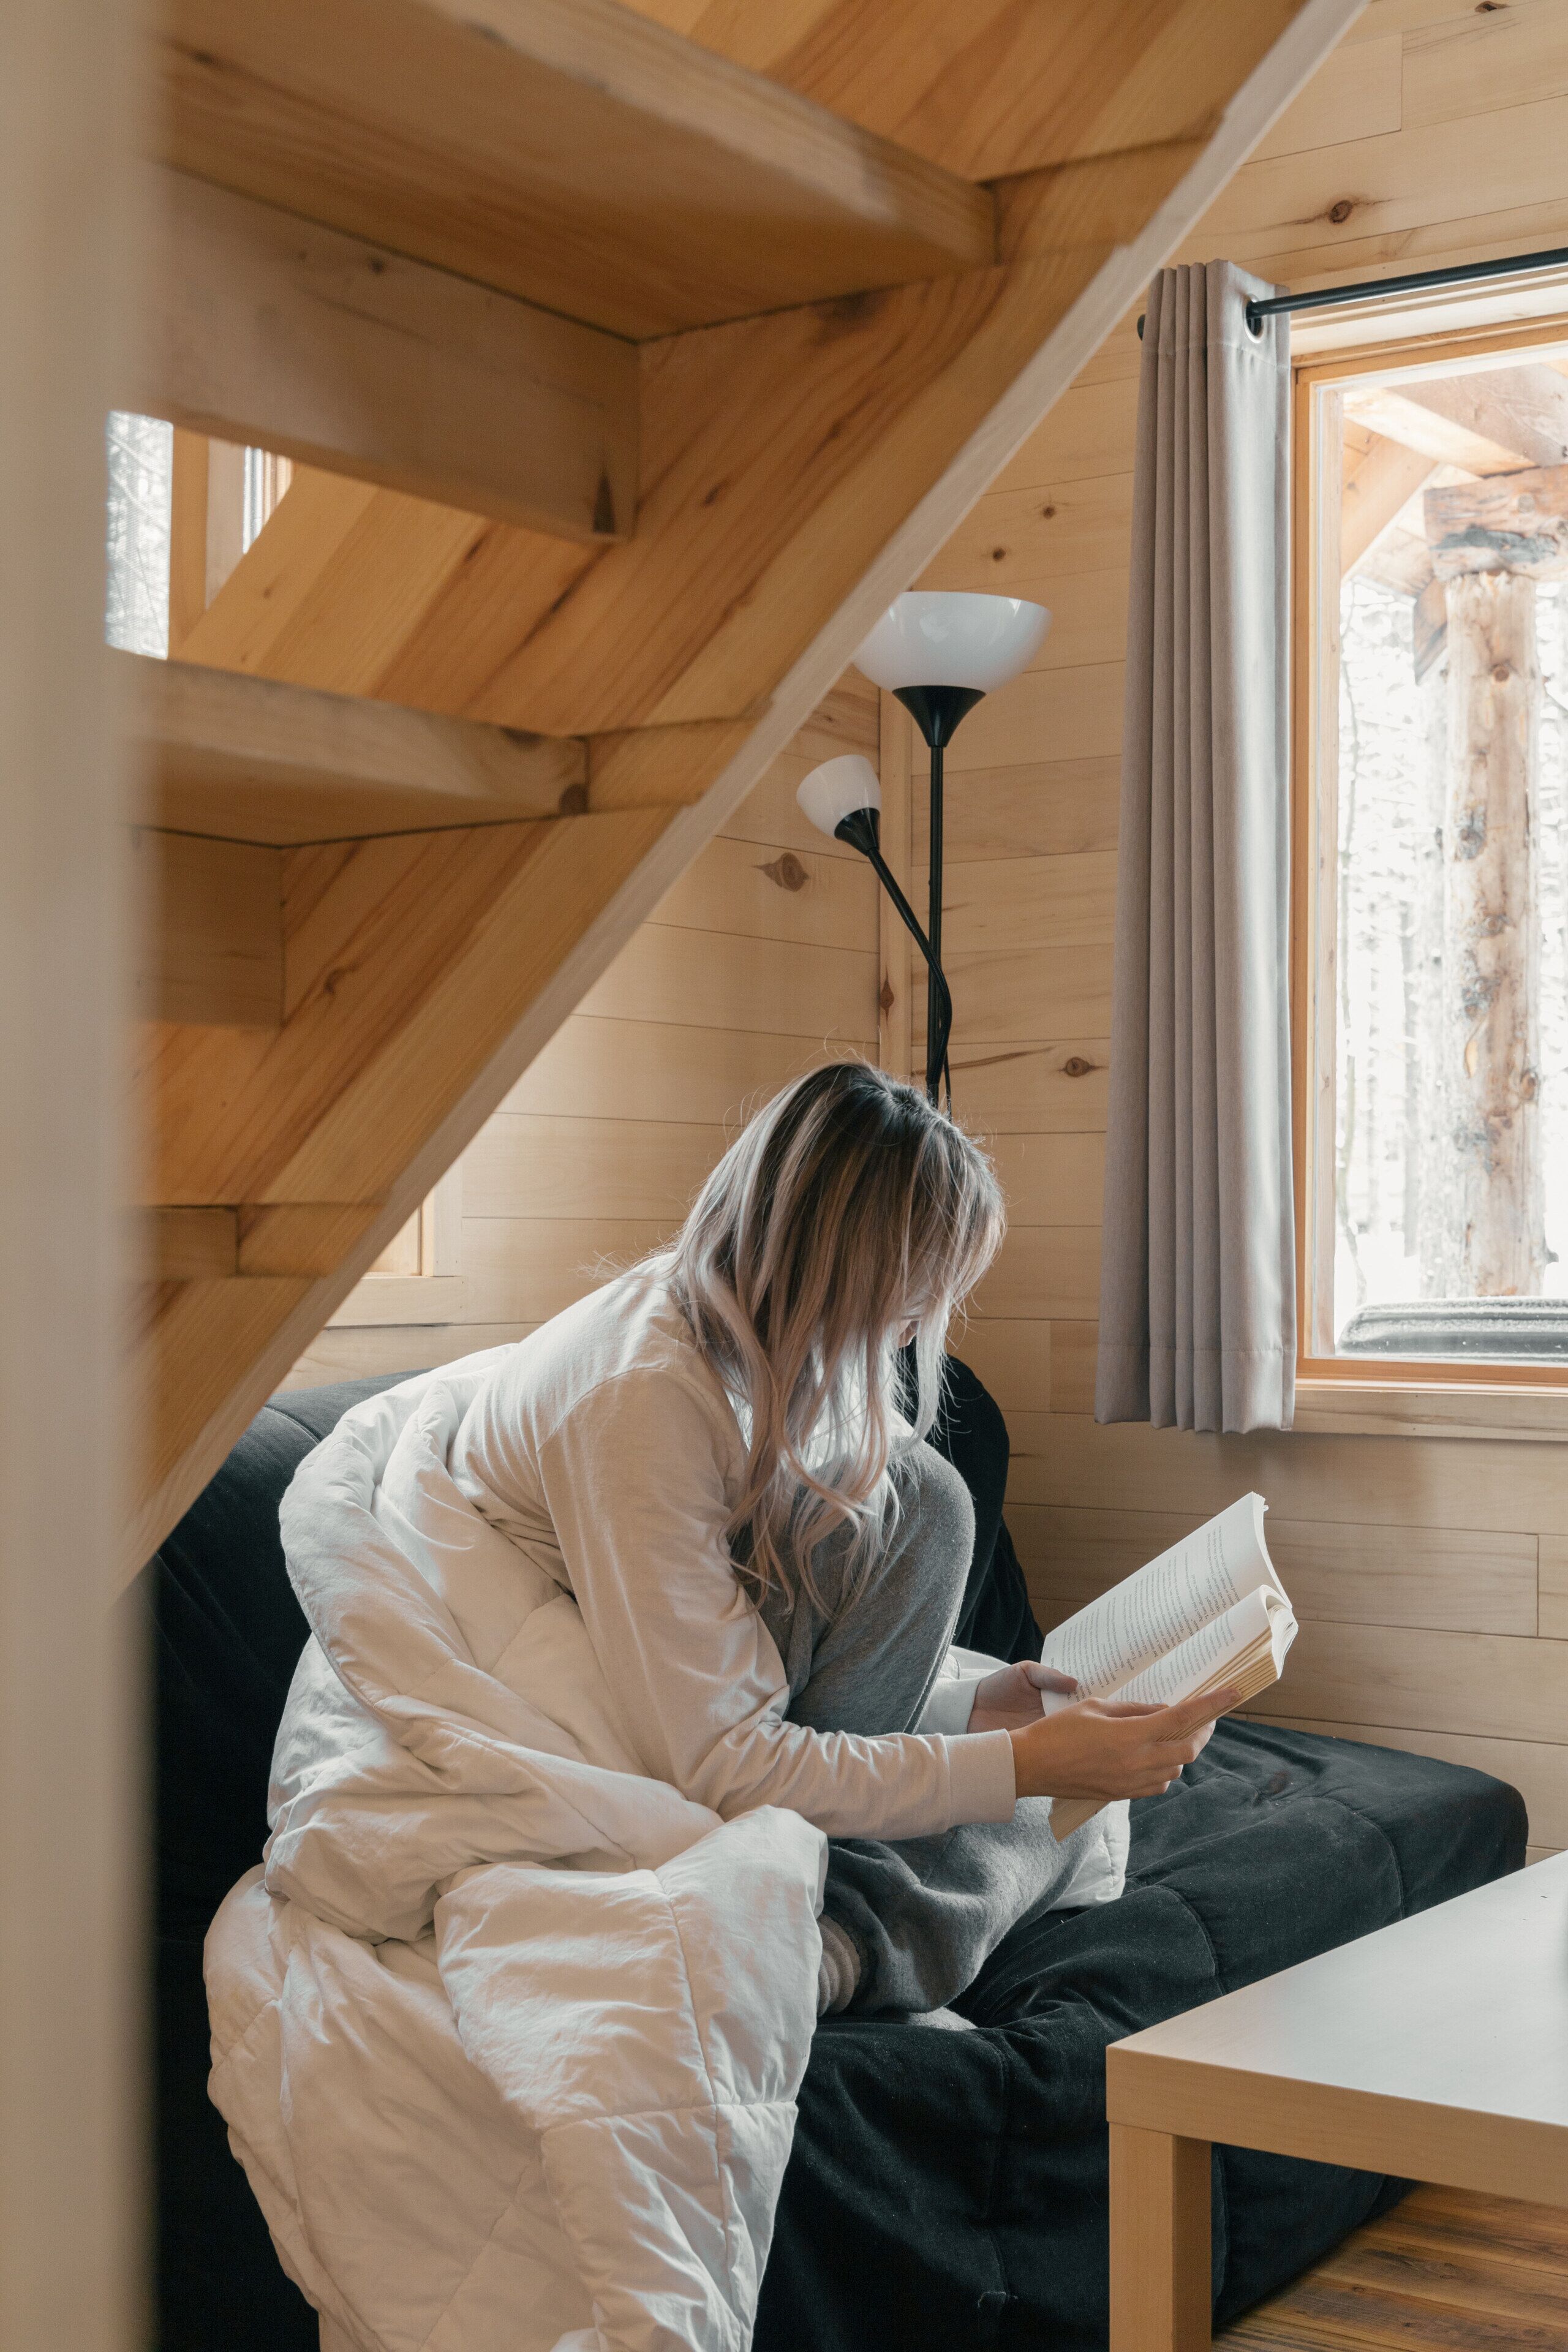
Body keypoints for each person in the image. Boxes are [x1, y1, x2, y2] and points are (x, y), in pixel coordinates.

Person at [448, 1061, 1234, 2019]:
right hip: (627, 1721)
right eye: (917, 1292)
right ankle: (839, 1948)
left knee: (1078, 1804)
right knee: (939, 1545)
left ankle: (850, 1935)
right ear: (848, 1264)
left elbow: (811, 1684)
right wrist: (1021, 1767)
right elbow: (724, 1760)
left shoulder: (774, 1343)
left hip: (712, 1711)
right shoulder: (640, 1402)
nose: (913, 1328)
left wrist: (975, 1709)